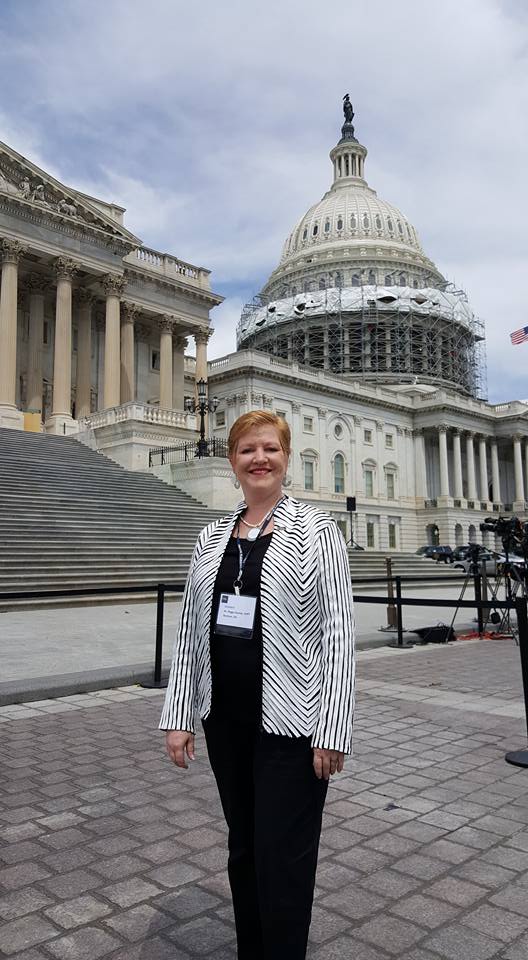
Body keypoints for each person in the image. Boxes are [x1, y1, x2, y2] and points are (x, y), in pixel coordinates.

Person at [160, 410, 355, 960]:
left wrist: (333, 728)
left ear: (286, 458)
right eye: (247, 450)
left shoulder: (317, 532)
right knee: (244, 848)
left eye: (269, 448)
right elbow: (190, 632)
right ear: (232, 462)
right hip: (227, 720)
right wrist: (179, 715)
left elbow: (338, 635)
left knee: (284, 856)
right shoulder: (211, 536)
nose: (259, 459)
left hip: (293, 725)